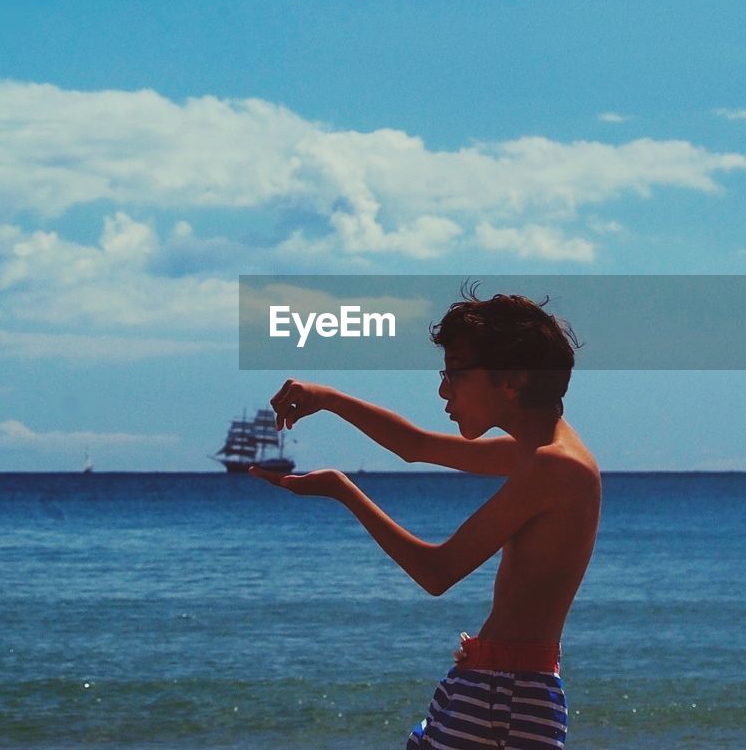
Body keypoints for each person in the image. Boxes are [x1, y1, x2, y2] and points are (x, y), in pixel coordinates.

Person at [251, 287, 600, 749]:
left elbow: (437, 572)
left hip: (505, 698)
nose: (443, 388)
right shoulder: (542, 455)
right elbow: (415, 447)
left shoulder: (555, 467)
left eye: (456, 373)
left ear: (513, 380)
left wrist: (343, 491)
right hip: (494, 688)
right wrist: (329, 399)